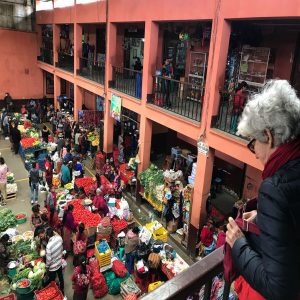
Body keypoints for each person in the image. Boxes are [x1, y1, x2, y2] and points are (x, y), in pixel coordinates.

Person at [226, 80, 300, 300]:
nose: (254, 152)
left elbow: (278, 289)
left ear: (267, 136)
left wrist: (238, 242)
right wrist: (265, 219)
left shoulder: (274, 189)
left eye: (252, 142)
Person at [45, 227, 64, 294]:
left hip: (52, 268)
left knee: (52, 281)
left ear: (47, 236)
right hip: (59, 263)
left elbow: (49, 260)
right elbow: (61, 248)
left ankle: (54, 293)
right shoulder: (59, 238)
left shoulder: (48, 246)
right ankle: (62, 290)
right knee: (61, 277)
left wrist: (46, 267)